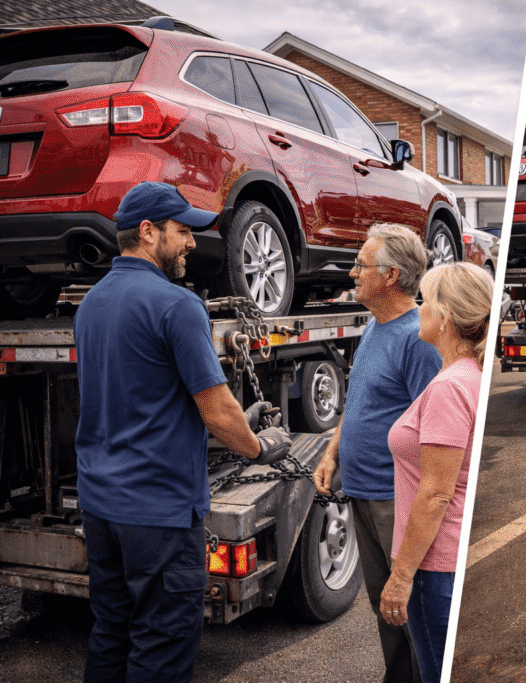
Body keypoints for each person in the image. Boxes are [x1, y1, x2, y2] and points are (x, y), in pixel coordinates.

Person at [75, 181, 291, 682]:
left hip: (102, 504)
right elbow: (216, 410)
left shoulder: (92, 303)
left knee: (112, 631)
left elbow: (139, 394)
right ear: (148, 233)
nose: (193, 242)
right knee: (163, 643)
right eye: (182, 231)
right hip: (159, 512)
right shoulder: (177, 305)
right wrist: (259, 447)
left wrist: (240, 422)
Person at [312, 224, 442, 683]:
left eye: (360, 266)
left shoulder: (418, 340)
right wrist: (332, 453)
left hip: (396, 498)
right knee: (383, 606)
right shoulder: (375, 326)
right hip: (363, 492)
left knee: (406, 605)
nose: (351, 274)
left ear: (389, 275)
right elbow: (360, 401)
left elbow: (434, 435)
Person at [379, 262, 492, 683]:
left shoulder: (449, 387)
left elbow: (435, 494)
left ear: (444, 317)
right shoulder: (468, 376)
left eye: (425, 302)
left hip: (434, 567)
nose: (419, 310)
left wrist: (401, 576)